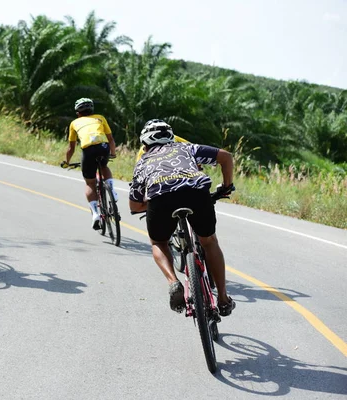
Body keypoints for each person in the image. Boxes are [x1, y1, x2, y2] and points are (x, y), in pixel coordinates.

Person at [128, 119, 236, 316]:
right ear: (171, 136)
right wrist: (227, 185)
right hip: (196, 193)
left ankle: (173, 282)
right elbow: (226, 157)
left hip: (161, 198)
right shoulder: (186, 148)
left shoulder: (142, 161)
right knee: (209, 241)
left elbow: (134, 205)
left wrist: (151, 204)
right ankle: (222, 298)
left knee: (158, 243)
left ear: (145, 144)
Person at [61, 98, 118, 230]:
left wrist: (66, 162)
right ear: (92, 110)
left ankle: (95, 214)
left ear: (78, 113)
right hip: (103, 147)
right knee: (104, 166)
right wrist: (113, 153)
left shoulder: (74, 123)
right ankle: (112, 190)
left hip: (88, 150)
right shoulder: (100, 118)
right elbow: (110, 139)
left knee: (90, 183)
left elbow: (71, 148)